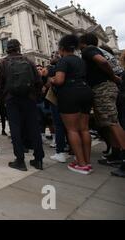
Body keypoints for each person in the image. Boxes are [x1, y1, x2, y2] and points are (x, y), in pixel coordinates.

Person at [79, 33, 125, 178]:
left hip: (103, 87)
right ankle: (116, 154)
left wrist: (112, 77)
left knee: (112, 122)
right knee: (106, 122)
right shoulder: (95, 50)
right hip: (103, 87)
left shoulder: (88, 50)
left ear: (83, 43)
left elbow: (103, 62)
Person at [0, 39, 44, 171]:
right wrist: (36, 97)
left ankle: (20, 160)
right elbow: (38, 81)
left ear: (7, 49)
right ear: (19, 48)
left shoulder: (3, 63)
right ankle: (38, 159)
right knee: (34, 128)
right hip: (29, 98)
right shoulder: (29, 61)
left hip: (12, 100)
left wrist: (0, 101)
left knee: (15, 129)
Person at [50, 35, 93, 174]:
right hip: (86, 92)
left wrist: (52, 79)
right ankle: (87, 161)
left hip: (70, 94)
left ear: (62, 49)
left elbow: (60, 80)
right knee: (84, 129)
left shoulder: (63, 61)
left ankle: (81, 164)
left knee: (72, 130)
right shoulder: (81, 61)